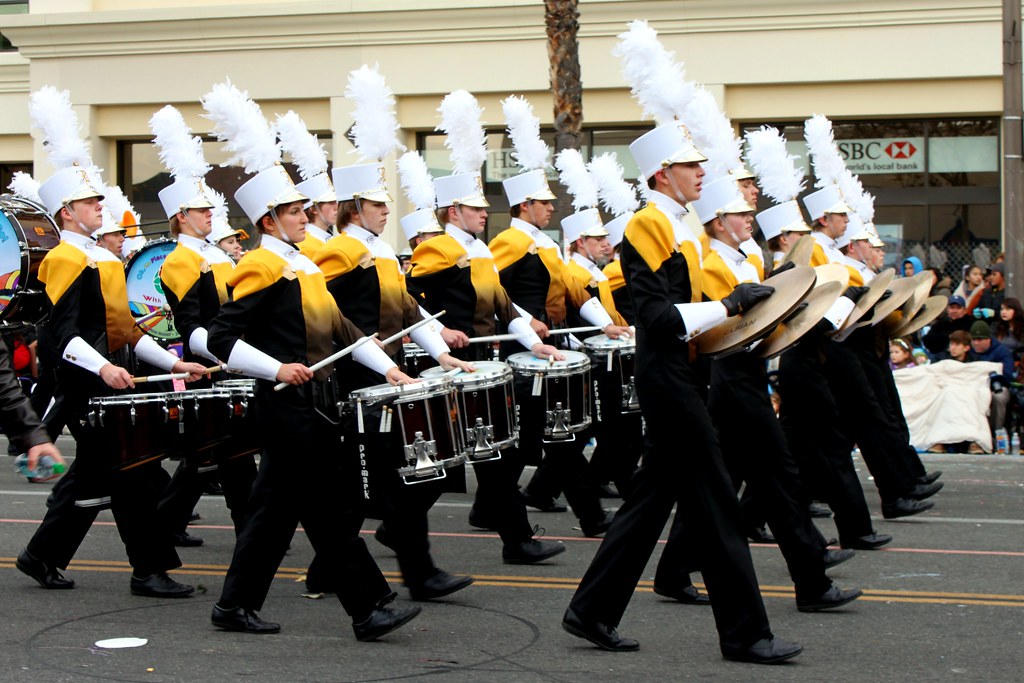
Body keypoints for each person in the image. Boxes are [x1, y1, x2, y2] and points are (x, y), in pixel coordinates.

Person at [563, 122, 802, 664]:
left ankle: (592, 610)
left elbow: (696, 315)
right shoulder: (650, 222)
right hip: (668, 376)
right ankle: (746, 635)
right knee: (718, 503)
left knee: (649, 503)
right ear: (661, 174)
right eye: (691, 166)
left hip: (686, 374)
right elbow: (656, 316)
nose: (702, 172)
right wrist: (732, 305)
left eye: (699, 164)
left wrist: (750, 311)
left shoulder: (683, 223)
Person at [18, 159, 205, 597]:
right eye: (88, 200)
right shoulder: (66, 257)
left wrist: (173, 364)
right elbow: (64, 335)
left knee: (101, 475)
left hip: (110, 380)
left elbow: (124, 331)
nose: (99, 205)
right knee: (131, 475)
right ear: (67, 211)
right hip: (88, 384)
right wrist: (102, 366)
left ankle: (42, 555)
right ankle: (148, 570)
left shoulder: (98, 256)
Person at [310, 158, 476, 601]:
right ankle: (413, 573)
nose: (386, 211)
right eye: (376, 204)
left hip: (390, 373)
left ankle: (331, 569)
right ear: (352, 208)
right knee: (387, 477)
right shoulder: (338, 251)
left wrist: (441, 353)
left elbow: (406, 311)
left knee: (400, 475)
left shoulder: (381, 252)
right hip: (357, 379)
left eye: (385, 204)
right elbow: (331, 320)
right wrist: (378, 365)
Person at [407, 164, 566, 564]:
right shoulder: (437, 248)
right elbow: (410, 300)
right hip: (451, 363)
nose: (484, 213)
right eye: (475, 209)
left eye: (483, 209)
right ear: (453, 212)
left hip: (481, 362)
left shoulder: (481, 249)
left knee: (495, 453)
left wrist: (533, 341)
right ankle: (399, 526)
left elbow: (503, 306)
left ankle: (517, 541)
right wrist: (439, 331)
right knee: (449, 459)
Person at [968, 320, 1013, 436]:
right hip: (972, 386)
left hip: (995, 387)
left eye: (979, 340)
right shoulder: (968, 351)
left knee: (999, 396)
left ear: (988, 339)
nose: (976, 343)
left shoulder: (1002, 351)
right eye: (974, 340)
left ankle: (995, 432)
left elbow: (1007, 375)